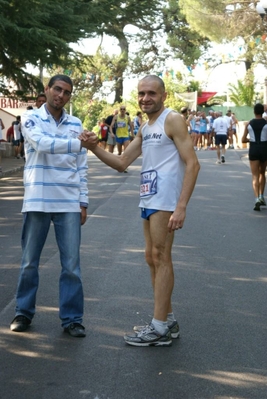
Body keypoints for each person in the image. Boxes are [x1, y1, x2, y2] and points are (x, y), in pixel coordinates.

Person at [80, 75, 200, 347]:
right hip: (148, 197)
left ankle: (158, 328)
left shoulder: (173, 120)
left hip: (166, 200)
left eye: (151, 93)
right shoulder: (146, 128)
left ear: (163, 96)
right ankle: (166, 320)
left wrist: (181, 206)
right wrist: (93, 146)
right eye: (141, 93)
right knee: (151, 256)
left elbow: (192, 164)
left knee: (161, 256)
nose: (145, 98)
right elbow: (122, 162)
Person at [9, 74, 98, 337]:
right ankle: (23, 312)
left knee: (71, 265)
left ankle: (72, 318)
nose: (60, 95)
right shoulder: (31, 118)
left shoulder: (76, 123)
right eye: (57, 89)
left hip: (69, 202)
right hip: (37, 199)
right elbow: (41, 144)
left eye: (66, 92)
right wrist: (78, 143)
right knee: (29, 262)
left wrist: (83, 201)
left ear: (70, 96)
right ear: (47, 90)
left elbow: (81, 165)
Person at [242, 103, 267, 211]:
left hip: (253, 148)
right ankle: (262, 196)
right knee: (262, 173)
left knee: (255, 175)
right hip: (264, 148)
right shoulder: (266, 124)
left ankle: (256, 198)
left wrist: (250, 140)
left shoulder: (249, 124)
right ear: (263, 111)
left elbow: (243, 139)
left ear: (254, 112)